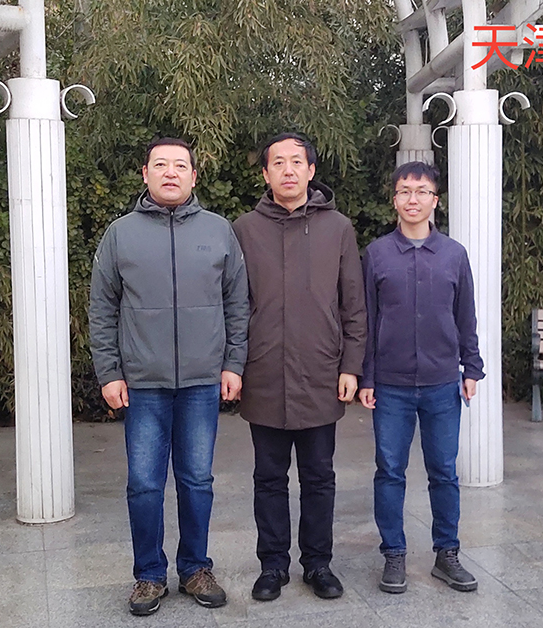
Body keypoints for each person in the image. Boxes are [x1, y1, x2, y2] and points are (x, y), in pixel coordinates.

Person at [89, 138, 249, 616]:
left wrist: (233, 363)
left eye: (181, 165)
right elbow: (102, 309)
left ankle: (196, 567)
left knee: (197, 480)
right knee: (144, 484)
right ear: (145, 174)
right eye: (161, 165)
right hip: (142, 383)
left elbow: (237, 304)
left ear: (194, 176)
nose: (171, 172)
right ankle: (149, 575)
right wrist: (109, 372)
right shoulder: (120, 234)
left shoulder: (218, 231)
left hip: (202, 382)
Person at [232, 132, 367, 602]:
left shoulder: (338, 228)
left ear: (311, 171)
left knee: (319, 477)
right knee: (268, 478)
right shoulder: (244, 229)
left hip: (320, 372)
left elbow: (353, 305)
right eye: (278, 163)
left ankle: (318, 564)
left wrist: (351, 365)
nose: (288, 170)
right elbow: (233, 304)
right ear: (265, 174)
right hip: (264, 372)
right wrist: (234, 365)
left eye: (296, 162)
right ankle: (272, 565)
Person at [358, 161, 484, 595]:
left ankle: (447, 554)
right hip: (389, 385)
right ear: (394, 200)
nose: (413, 200)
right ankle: (393, 554)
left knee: (444, 471)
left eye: (422, 191)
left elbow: (465, 315)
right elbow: (366, 320)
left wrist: (472, 367)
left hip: (442, 382)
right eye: (404, 192)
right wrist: (366, 377)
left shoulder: (454, 254)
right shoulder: (377, 254)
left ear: (435, 200)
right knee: (390, 470)